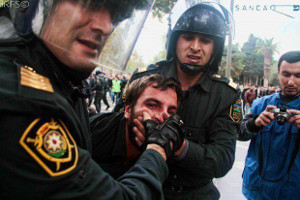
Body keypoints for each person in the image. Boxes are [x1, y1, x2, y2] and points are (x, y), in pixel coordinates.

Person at [0, 0, 184, 199]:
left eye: (115, 16)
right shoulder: (25, 101)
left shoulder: (62, 78)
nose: (105, 26)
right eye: (89, 4)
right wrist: (157, 151)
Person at [123, 1, 242, 199]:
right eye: (188, 37)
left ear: (215, 47)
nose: (195, 47)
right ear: (175, 40)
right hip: (140, 190)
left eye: (205, 40)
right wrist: (133, 135)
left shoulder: (227, 95)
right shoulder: (143, 78)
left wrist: (179, 147)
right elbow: (113, 129)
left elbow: (222, 160)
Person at [91, 74, 183, 179]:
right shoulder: (94, 132)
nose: (162, 117)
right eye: (152, 105)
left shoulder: (170, 148)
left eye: (170, 112)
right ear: (128, 110)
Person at [239, 51, 300, 200]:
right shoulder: (261, 104)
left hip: (292, 191)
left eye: (298, 76)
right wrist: (255, 123)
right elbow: (239, 134)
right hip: (256, 187)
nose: (291, 82)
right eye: (286, 74)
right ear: (278, 73)